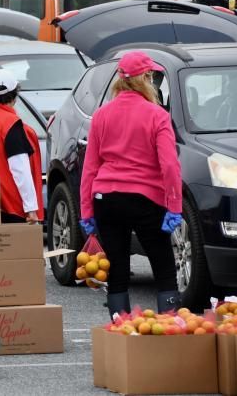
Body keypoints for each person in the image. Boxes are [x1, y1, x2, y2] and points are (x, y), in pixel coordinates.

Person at [79, 51, 183, 316]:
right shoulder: (156, 115)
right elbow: (169, 165)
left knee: (117, 266)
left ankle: (120, 328)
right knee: (163, 266)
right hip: (145, 197)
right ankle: (168, 324)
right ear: (146, 78)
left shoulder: (102, 115)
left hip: (106, 198)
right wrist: (174, 206)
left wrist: (86, 211)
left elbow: (90, 167)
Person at [0, 69, 43, 224]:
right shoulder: (12, 124)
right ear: (14, 95)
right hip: (10, 205)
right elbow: (20, 169)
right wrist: (31, 208)